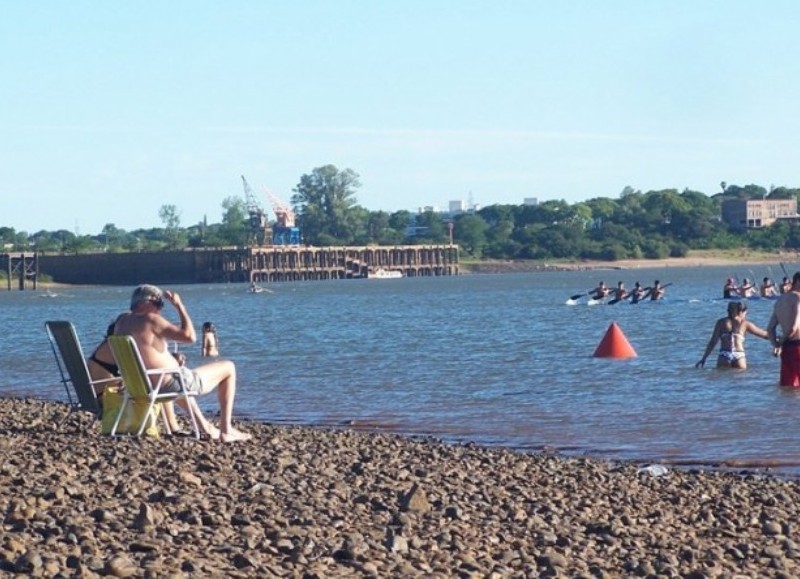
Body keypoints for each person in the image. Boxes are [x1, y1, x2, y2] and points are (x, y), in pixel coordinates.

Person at [115, 284, 251, 442]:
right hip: (166, 384)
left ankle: (205, 427)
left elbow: (144, 351)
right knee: (229, 367)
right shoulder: (151, 319)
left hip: (140, 386)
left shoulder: (121, 322)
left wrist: (170, 360)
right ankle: (226, 430)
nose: (160, 309)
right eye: (159, 304)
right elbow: (190, 337)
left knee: (177, 377)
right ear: (147, 302)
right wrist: (179, 306)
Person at [88, 315, 218, 437]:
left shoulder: (106, 347)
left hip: (101, 396)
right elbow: (144, 368)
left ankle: (175, 427)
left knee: (162, 382)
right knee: (164, 382)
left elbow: (137, 367)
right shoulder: (117, 346)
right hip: (110, 401)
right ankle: (178, 427)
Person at [696, 301, 770, 369]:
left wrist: (704, 358)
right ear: (741, 312)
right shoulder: (745, 324)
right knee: (740, 381)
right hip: (739, 355)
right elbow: (764, 335)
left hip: (724, 355)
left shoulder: (721, 322)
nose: (745, 315)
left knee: (723, 380)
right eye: (745, 313)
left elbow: (713, 341)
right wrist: (777, 338)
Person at [767, 272, 800, 387]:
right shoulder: (797, 298)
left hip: (787, 349)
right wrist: (781, 342)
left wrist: (777, 345)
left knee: (789, 388)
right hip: (797, 346)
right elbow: (793, 328)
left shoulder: (779, 301)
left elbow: (770, 329)